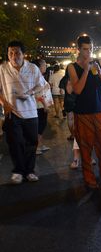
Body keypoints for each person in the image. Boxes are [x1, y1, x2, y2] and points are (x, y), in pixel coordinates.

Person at [67, 35, 101, 190]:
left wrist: (99, 72)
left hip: (98, 110)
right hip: (82, 112)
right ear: (79, 49)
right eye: (85, 49)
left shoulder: (99, 62)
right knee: (86, 147)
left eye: (91, 49)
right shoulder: (72, 66)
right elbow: (77, 89)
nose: (88, 52)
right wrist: (86, 70)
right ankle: (89, 179)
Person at [0, 41, 47, 184]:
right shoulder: (2, 69)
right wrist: (5, 103)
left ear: (23, 54)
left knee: (32, 143)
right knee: (15, 143)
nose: (14, 56)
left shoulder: (32, 68)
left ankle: (29, 171)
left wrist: (30, 92)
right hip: (12, 113)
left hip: (31, 112)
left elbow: (43, 86)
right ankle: (18, 171)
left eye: (17, 53)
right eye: (11, 53)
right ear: (8, 55)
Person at [33, 59, 52, 155]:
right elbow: (38, 94)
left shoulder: (40, 76)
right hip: (40, 106)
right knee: (40, 126)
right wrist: (45, 105)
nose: (46, 66)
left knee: (42, 125)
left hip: (41, 105)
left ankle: (40, 145)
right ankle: (36, 146)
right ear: (39, 67)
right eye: (44, 65)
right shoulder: (37, 78)